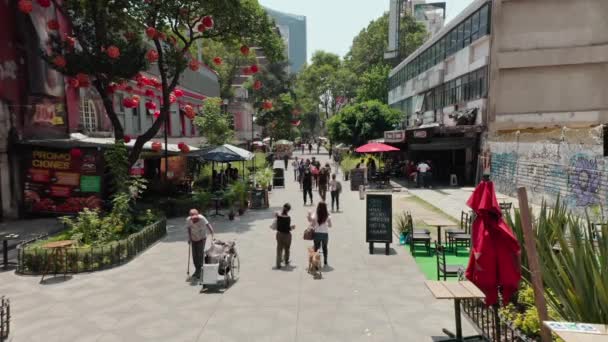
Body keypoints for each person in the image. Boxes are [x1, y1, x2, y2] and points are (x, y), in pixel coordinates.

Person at [186, 209, 215, 279]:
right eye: (193, 219)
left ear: (198, 215)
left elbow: (208, 225)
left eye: (196, 218)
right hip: (193, 239)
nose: (194, 220)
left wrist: (212, 234)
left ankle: (200, 271)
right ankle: (197, 270)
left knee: (200, 255)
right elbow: (189, 229)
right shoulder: (188, 220)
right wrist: (189, 238)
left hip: (202, 239)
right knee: (194, 256)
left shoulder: (202, 218)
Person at [307, 202, 332, 266]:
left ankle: (315, 262)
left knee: (316, 248)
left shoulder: (315, 214)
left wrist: (309, 214)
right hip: (325, 234)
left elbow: (310, 221)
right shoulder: (327, 215)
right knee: (325, 248)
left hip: (317, 233)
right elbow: (330, 225)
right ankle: (325, 261)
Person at [273, 203, 295, 269]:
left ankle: (278, 264)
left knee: (279, 249)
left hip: (279, 234)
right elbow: (287, 228)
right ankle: (286, 261)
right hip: (287, 235)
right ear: (288, 210)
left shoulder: (278, 216)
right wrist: (292, 227)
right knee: (287, 248)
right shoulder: (288, 218)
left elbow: (277, 224)